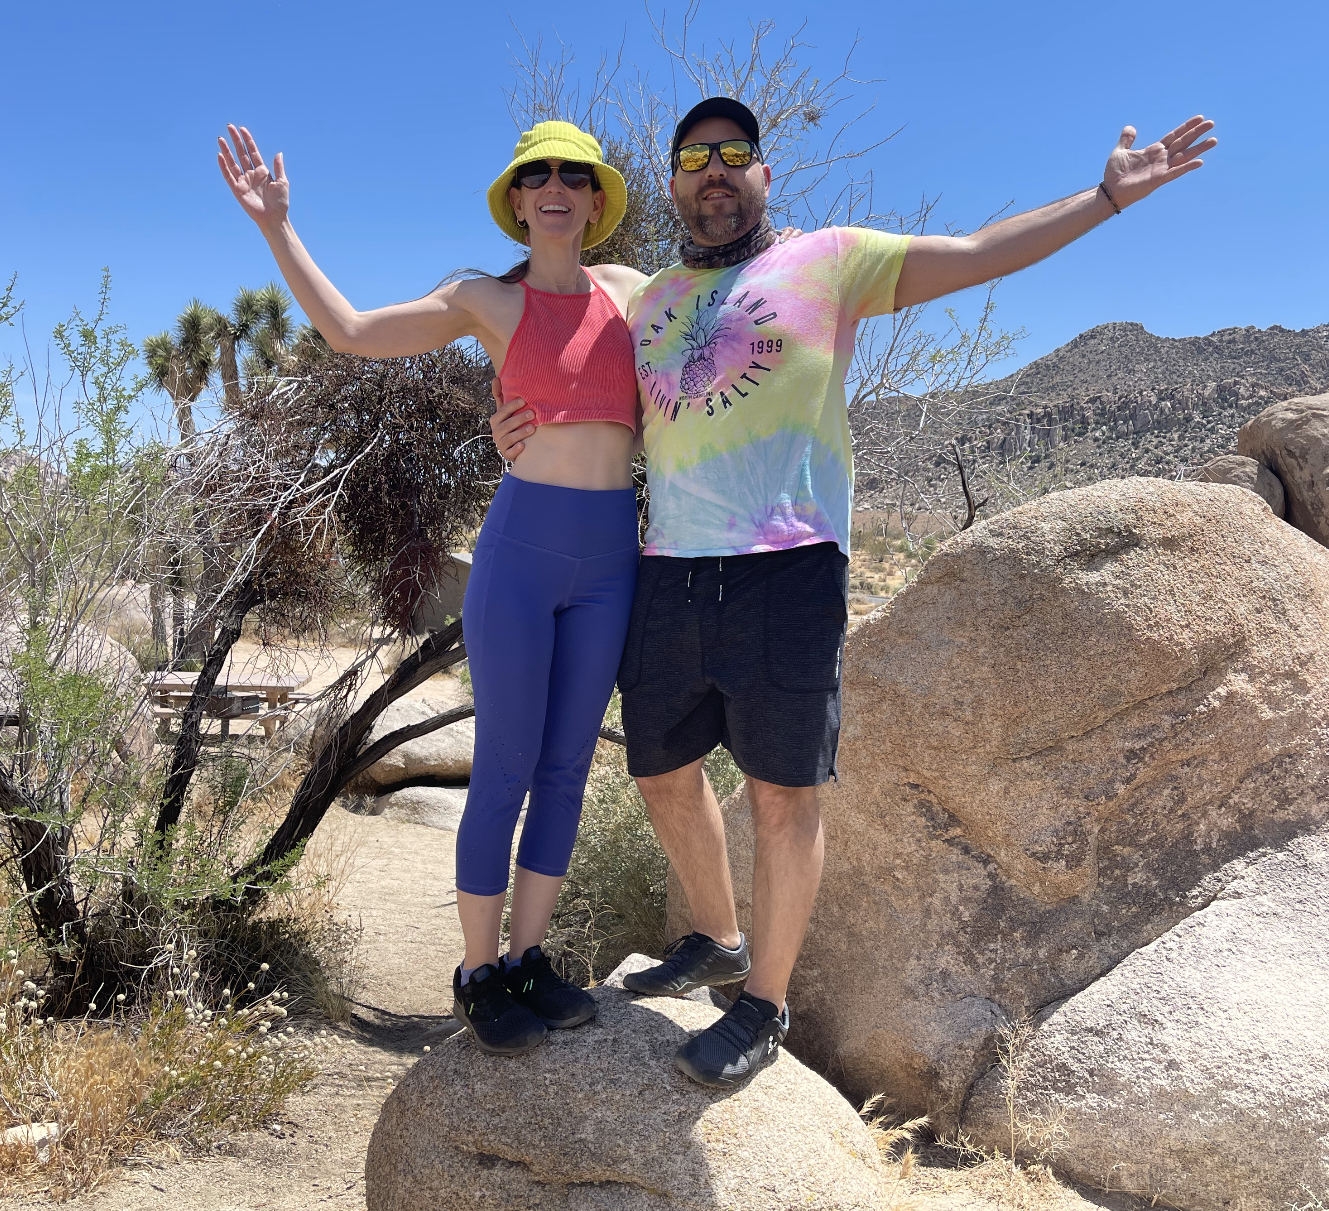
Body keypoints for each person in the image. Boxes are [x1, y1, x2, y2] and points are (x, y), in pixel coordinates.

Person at [492, 96, 1217, 1088]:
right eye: (695, 156)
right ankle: (717, 933)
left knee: (784, 794)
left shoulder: (830, 259)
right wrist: (515, 425)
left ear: (762, 175)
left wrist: (1102, 198)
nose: (715, 169)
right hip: (667, 566)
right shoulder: (646, 297)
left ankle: (764, 1004)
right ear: (670, 183)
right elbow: (551, 327)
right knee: (661, 773)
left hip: (789, 563)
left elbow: (978, 252)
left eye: (734, 153)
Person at [218, 119, 649, 1056]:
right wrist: (277, 227)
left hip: (614, 555)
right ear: (517, 198)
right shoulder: (483, 298)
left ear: (597, 198)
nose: (556, 186)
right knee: (503, 763)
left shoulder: (631, 294)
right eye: (537, 174)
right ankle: (476, 970)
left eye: (575, 174)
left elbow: (716, 337)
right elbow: (352, 331)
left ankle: (530, 959)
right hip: (524, 548)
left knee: (568, 769)